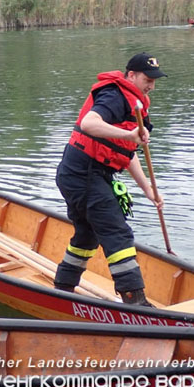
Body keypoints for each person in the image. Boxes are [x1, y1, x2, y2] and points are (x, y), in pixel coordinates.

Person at [54, 52, 166, 306]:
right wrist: (130, 135)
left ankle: (62, 288)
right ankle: (134, 300)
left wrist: (149, 190)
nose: (151, 85)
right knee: (117, 232)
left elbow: (126, 153)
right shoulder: (115, 95)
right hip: (82, 173)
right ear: (131, 76)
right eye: (147, 79)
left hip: (85, 174)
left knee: (87, 236)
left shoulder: (137, 103)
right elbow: (89, 123)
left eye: (154, 80)